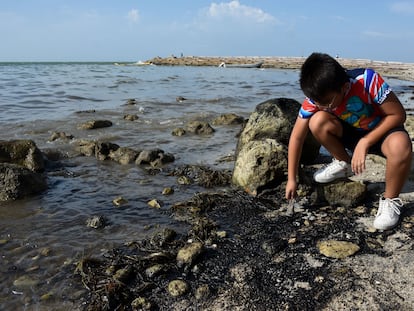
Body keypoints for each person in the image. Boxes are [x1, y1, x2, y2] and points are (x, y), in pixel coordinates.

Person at [285, 52, 412, 230]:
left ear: (344, 87)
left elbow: (398, 115)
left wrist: (365, 142)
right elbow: (297, 137)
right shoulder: (318, 97)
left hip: (383, 132)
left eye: (328, 103)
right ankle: (343, 163)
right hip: (350, 134)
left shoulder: (367, 80)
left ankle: (390, 200)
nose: (321, 107)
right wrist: (292, 178)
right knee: (317, 121)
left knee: (401, 145)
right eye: (317, 102)